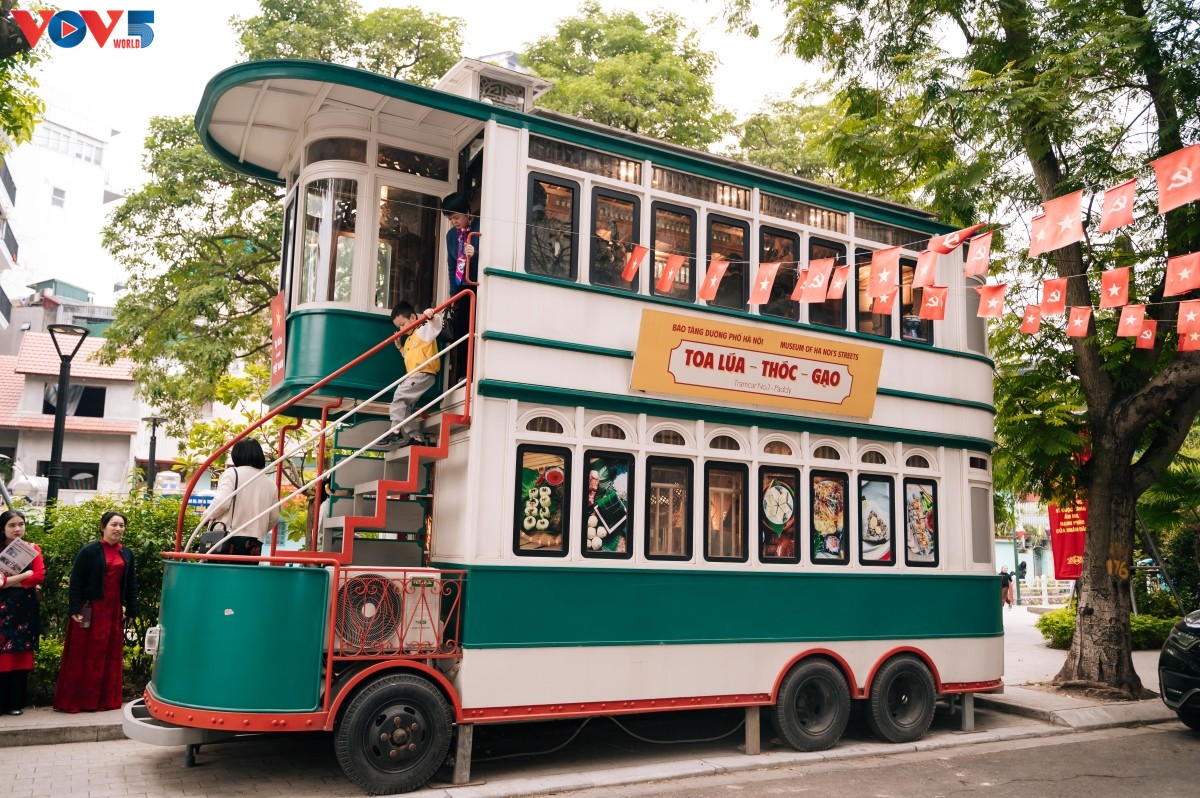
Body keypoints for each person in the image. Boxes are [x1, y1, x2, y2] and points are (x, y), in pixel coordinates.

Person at [53, 511, 137, 713]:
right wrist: (74, 608)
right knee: (84, 656)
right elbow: (76, 581)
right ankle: (78, 701)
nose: (118, 529)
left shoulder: (127, 553)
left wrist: (132, 610)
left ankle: (105, 701)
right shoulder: (89, 551)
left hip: (113, 610)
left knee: (108, 655)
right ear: (103, 527)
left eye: (121, 525)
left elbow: (131, 584)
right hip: (90, 610)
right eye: (113, 525)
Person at [199, 438, 281, 558]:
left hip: (228, 538)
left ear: (236, 455)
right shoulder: (270, 484)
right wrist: (257, 531)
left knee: (221, 575)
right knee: (246, 575)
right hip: (255, 542)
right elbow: (274, 518)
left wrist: (205, 518)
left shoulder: (232, 473)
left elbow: (222, 503)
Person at [381, 301, 444, 448]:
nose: (401, 329)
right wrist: (400, 348)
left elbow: (436, 326)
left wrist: (431, 315)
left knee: (399, 397)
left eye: (402, 324)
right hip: (415, 375)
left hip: (423, 373)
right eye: (398, 327)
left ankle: (395, 431)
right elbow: (410, 356)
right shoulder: (409, 340)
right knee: (406, 406)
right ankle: (416, 437)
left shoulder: (422, 331)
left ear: (414, 318)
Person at [0, 510, 44, 715]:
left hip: (23, 609)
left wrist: (9, 582)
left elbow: (39, 576)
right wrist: (25, 575)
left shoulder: (32, 549)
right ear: (3, 528)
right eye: (12, 525)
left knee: (19, 654)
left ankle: (15, 703)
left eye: (21, 524)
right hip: (2, 609)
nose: (18, 529)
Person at [442, 192, 479, 295]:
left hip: (479, 286)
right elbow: (452, 267)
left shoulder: (481, 227)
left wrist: (475, 254)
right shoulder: (451, 235)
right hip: (461, 287)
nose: (454, 222)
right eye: (450, 219)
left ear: (467, 212)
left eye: (456, 217)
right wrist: (453, 295)